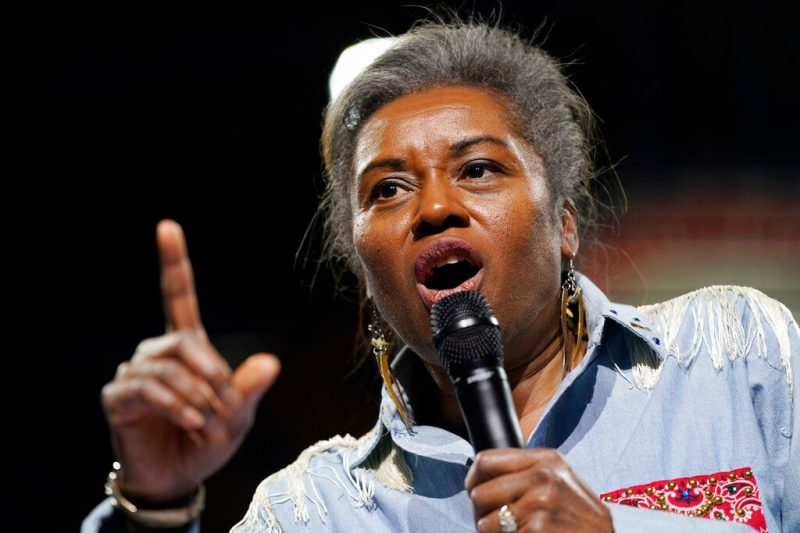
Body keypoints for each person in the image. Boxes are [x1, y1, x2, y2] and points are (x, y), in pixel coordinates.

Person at [83, 16, 798, 533]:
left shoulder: (736, 360)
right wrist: (155, 505)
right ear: (365, 273)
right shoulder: (318, 510)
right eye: (388, 189)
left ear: (565, 224)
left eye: (478, 168)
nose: (433, 208)